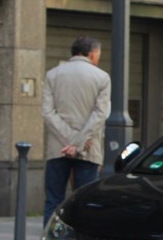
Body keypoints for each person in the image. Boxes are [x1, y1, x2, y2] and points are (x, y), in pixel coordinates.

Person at [41, 36, 111, 224]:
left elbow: (47, 112)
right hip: (88, 148)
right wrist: (78, 141)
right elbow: (100, 114)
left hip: (58, 147)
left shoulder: (52, 75)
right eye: (98, 54)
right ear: (92, 53)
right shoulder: (102, 77)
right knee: (83, 201)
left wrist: (69, 140)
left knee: (53, 199)